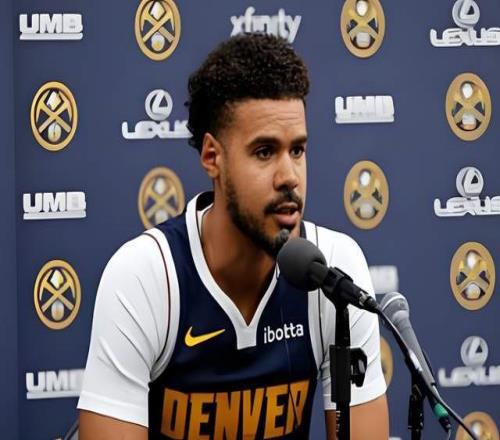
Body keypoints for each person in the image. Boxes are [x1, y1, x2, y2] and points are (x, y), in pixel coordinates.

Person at [78, 33, 389, 439]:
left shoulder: (333, 271)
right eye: (264, 152)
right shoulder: (145, 277)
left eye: (297, 150)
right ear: (213, 157)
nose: (289, 177)